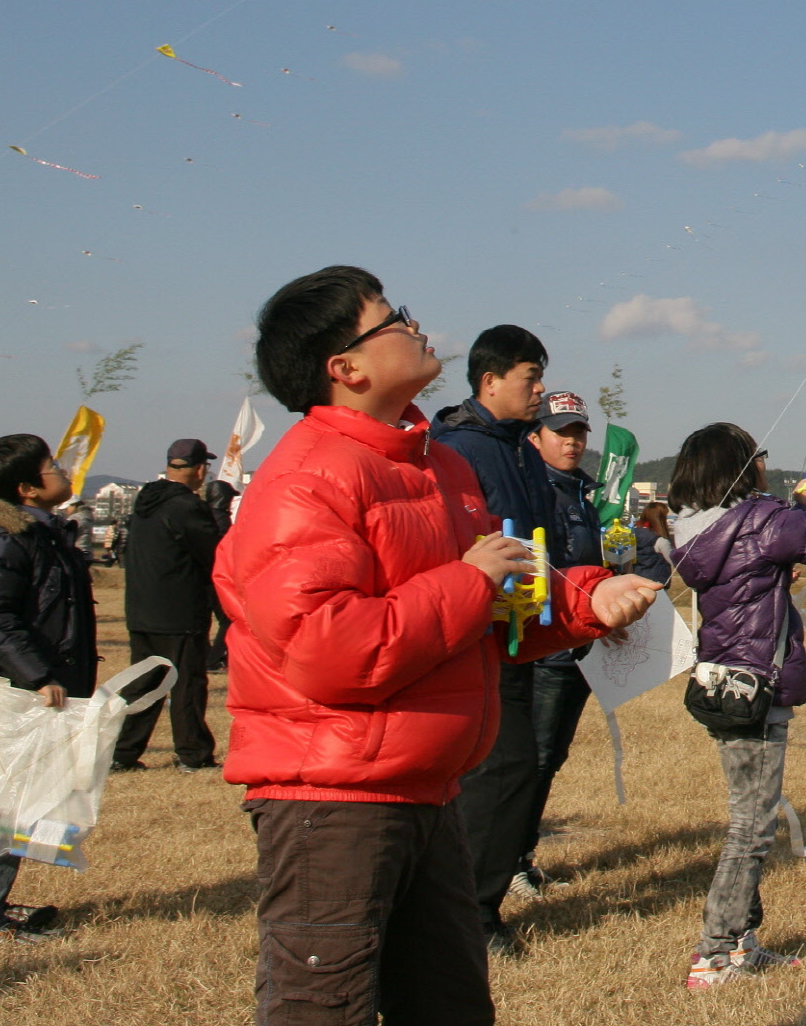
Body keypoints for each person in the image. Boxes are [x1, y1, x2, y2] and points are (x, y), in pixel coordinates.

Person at [219, 267, 657, 1024]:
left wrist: (586, 599)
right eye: (392, 318)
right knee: (323, 1007)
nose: (416, 327)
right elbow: (328, 648)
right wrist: (467, 581)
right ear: (345, 367)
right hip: (333, 798)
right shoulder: (305, 479)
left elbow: (498, 597)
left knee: (451, 1002)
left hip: (428, 787)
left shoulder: (436, 466)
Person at [667, 421, 806, 989]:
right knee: (751, 826)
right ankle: (713, 952)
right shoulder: (758, 523)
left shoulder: (703, 527)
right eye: (756, 456)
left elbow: (770, 538)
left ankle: (741, 943)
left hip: (723, 683)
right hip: (755, 688)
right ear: (739, 466)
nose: (764, 462)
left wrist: (802, 504)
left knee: (749, 818)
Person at [0, 434, 96, 946]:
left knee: (6, 805)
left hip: (22, 688)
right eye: (51, 466)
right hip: (3, 692)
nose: (62, 470)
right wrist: (37, 675)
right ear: (27, 488)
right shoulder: (9, 539)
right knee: (0, 807)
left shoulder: (39, 533)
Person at [433, 323, 561, 957]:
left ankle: (472, 904)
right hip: (473, 631)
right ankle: (472, 914)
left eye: (539, 377)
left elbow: (545, 538)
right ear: (489, 380)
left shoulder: (519, 447)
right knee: (503, 767)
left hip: (520, 631)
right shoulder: (456, 449)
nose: (539, 390)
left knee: (517, 765)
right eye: (529, 377)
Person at [511, 391, 604, 902]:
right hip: (547, 649)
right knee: (535, 757)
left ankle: (518, 854)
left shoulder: (583, 494)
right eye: (561, 432)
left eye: (579, 432)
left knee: (552, 755)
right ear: (535, 437)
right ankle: (509, 859)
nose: (572, 442)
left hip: (578, 647)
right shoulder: (533, 492)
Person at [111, 439, 224, 773]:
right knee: (187, 683)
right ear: (201, 469)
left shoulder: (145, 500)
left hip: (142, 609)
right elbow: (213, 554)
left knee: (144, 684)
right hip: (180, 610)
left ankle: (122, 752)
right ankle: (193, 753)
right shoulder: (187, 507)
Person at [203, 475, 239, 670]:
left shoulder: (202, 515)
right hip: (219, 578)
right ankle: (213, 658)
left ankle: (209, 656)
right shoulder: (222, 521)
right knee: (228, 619)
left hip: (204, 577)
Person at [630, 501, 676, 586]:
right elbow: (674, 561)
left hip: (635, 580)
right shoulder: (660, 540)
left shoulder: (632, 534)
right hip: (656, 583)